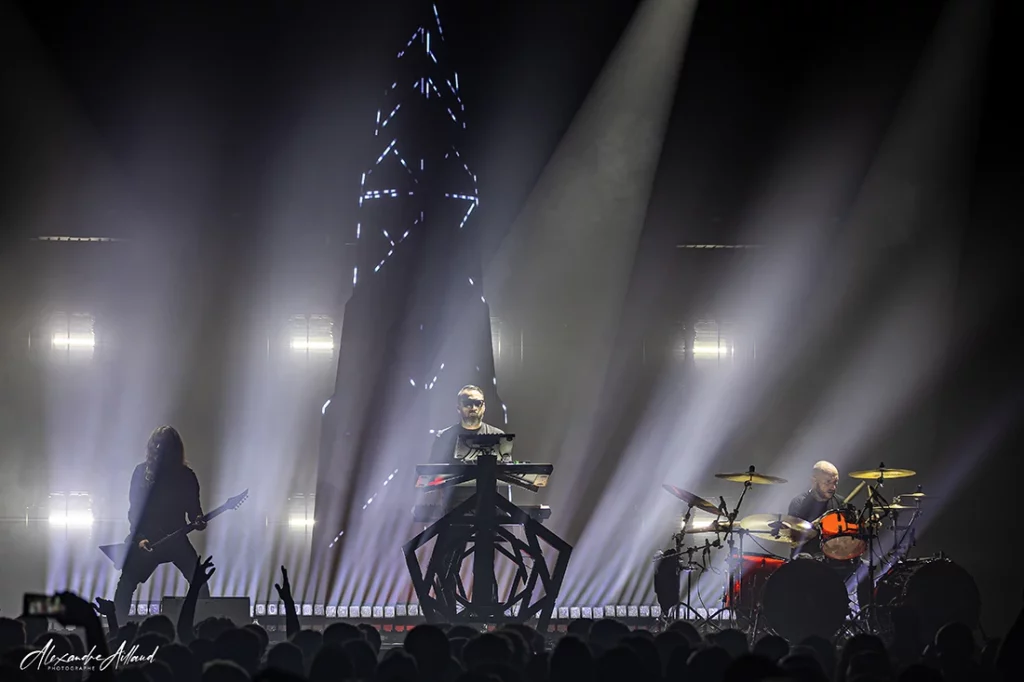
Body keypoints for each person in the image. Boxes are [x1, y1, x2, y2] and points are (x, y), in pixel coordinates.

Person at [113, 426, 210, 624]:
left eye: (164, 446)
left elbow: (194, 511)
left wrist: (199, 520)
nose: (159, 450)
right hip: (148, 539)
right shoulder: (141, 473)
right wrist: (139, 538)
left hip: (176, 540)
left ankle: (203, 626)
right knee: (126, 583)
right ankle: (118, 629)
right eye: (156, 445)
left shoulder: (186, 476)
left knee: (199, 581)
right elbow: (135, 511)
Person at [429, 385, 507, 463]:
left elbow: (506, 471)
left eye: (477, 403)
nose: (473, 408)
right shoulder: (444, 437)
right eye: (467, 403)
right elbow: (432, 473)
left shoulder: (498, 436)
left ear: (484, 407)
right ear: (458, 408)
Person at [787, 460, 841, 526]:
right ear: (814, 480)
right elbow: (793, 533)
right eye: (828, 482)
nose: (833, 487)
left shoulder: (840, 502)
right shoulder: (798, 503)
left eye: (835, 482)